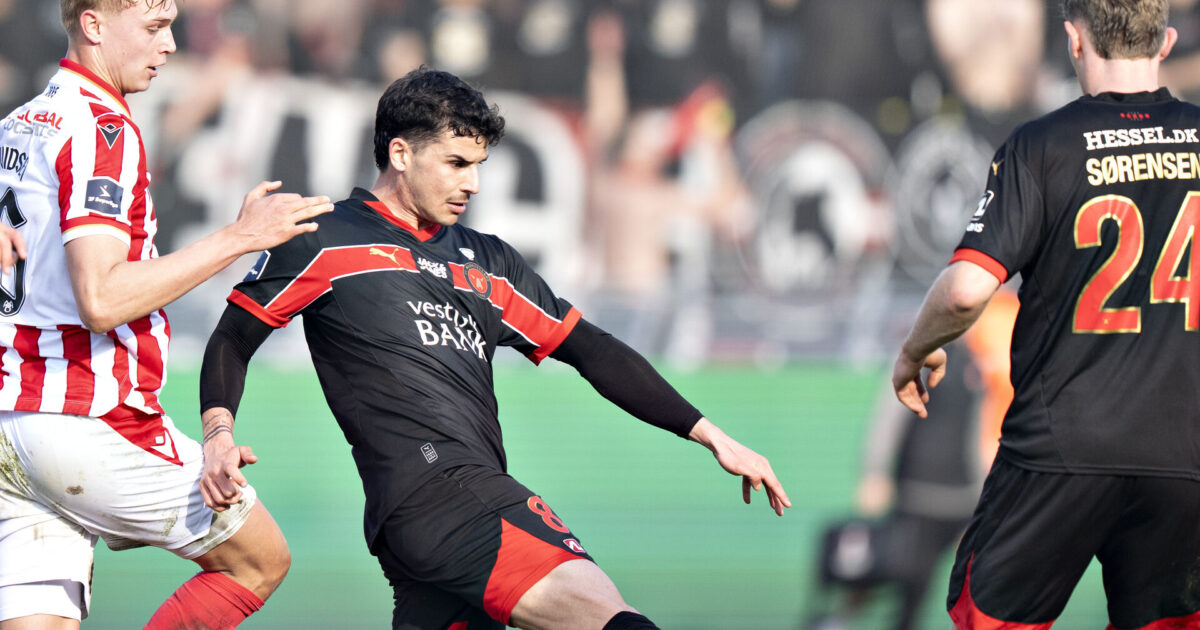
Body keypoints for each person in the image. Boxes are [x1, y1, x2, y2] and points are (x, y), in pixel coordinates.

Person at [198, 66, 790, 630]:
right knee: (608, 617)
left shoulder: (491, 261)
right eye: (456, 163)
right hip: (439, 494)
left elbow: (590, 349)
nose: (472, 184)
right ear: (400, 153)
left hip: (428, 523)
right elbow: (233, 337)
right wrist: (219, 432)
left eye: (478, 165)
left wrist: (711, 433)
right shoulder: (326, 237)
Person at [0, 1, 334, 628]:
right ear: (93, 25)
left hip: (11, 418)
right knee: (259, 561)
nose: (172, 45)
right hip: (86, 419)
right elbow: (101, 300)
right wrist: (239, 237)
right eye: (154, 28)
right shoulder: (102, 128)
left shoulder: (20, 123)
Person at [892, 1, 1200, 627]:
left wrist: (912, 350)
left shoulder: (1041, 145)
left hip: (1059, 451)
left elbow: (965, 292)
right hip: (1184, 453)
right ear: (1165, 42)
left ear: (1072, 39)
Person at [807, 290, 1015, 630]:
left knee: (967, 584)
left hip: (961, 502)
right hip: (918, 497)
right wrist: (874, 473)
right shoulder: (921, 355)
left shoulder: (976, 367)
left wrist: (984, 493)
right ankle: (838, 619)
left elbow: (976, 434)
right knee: (891, 574)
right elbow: (888, 418)